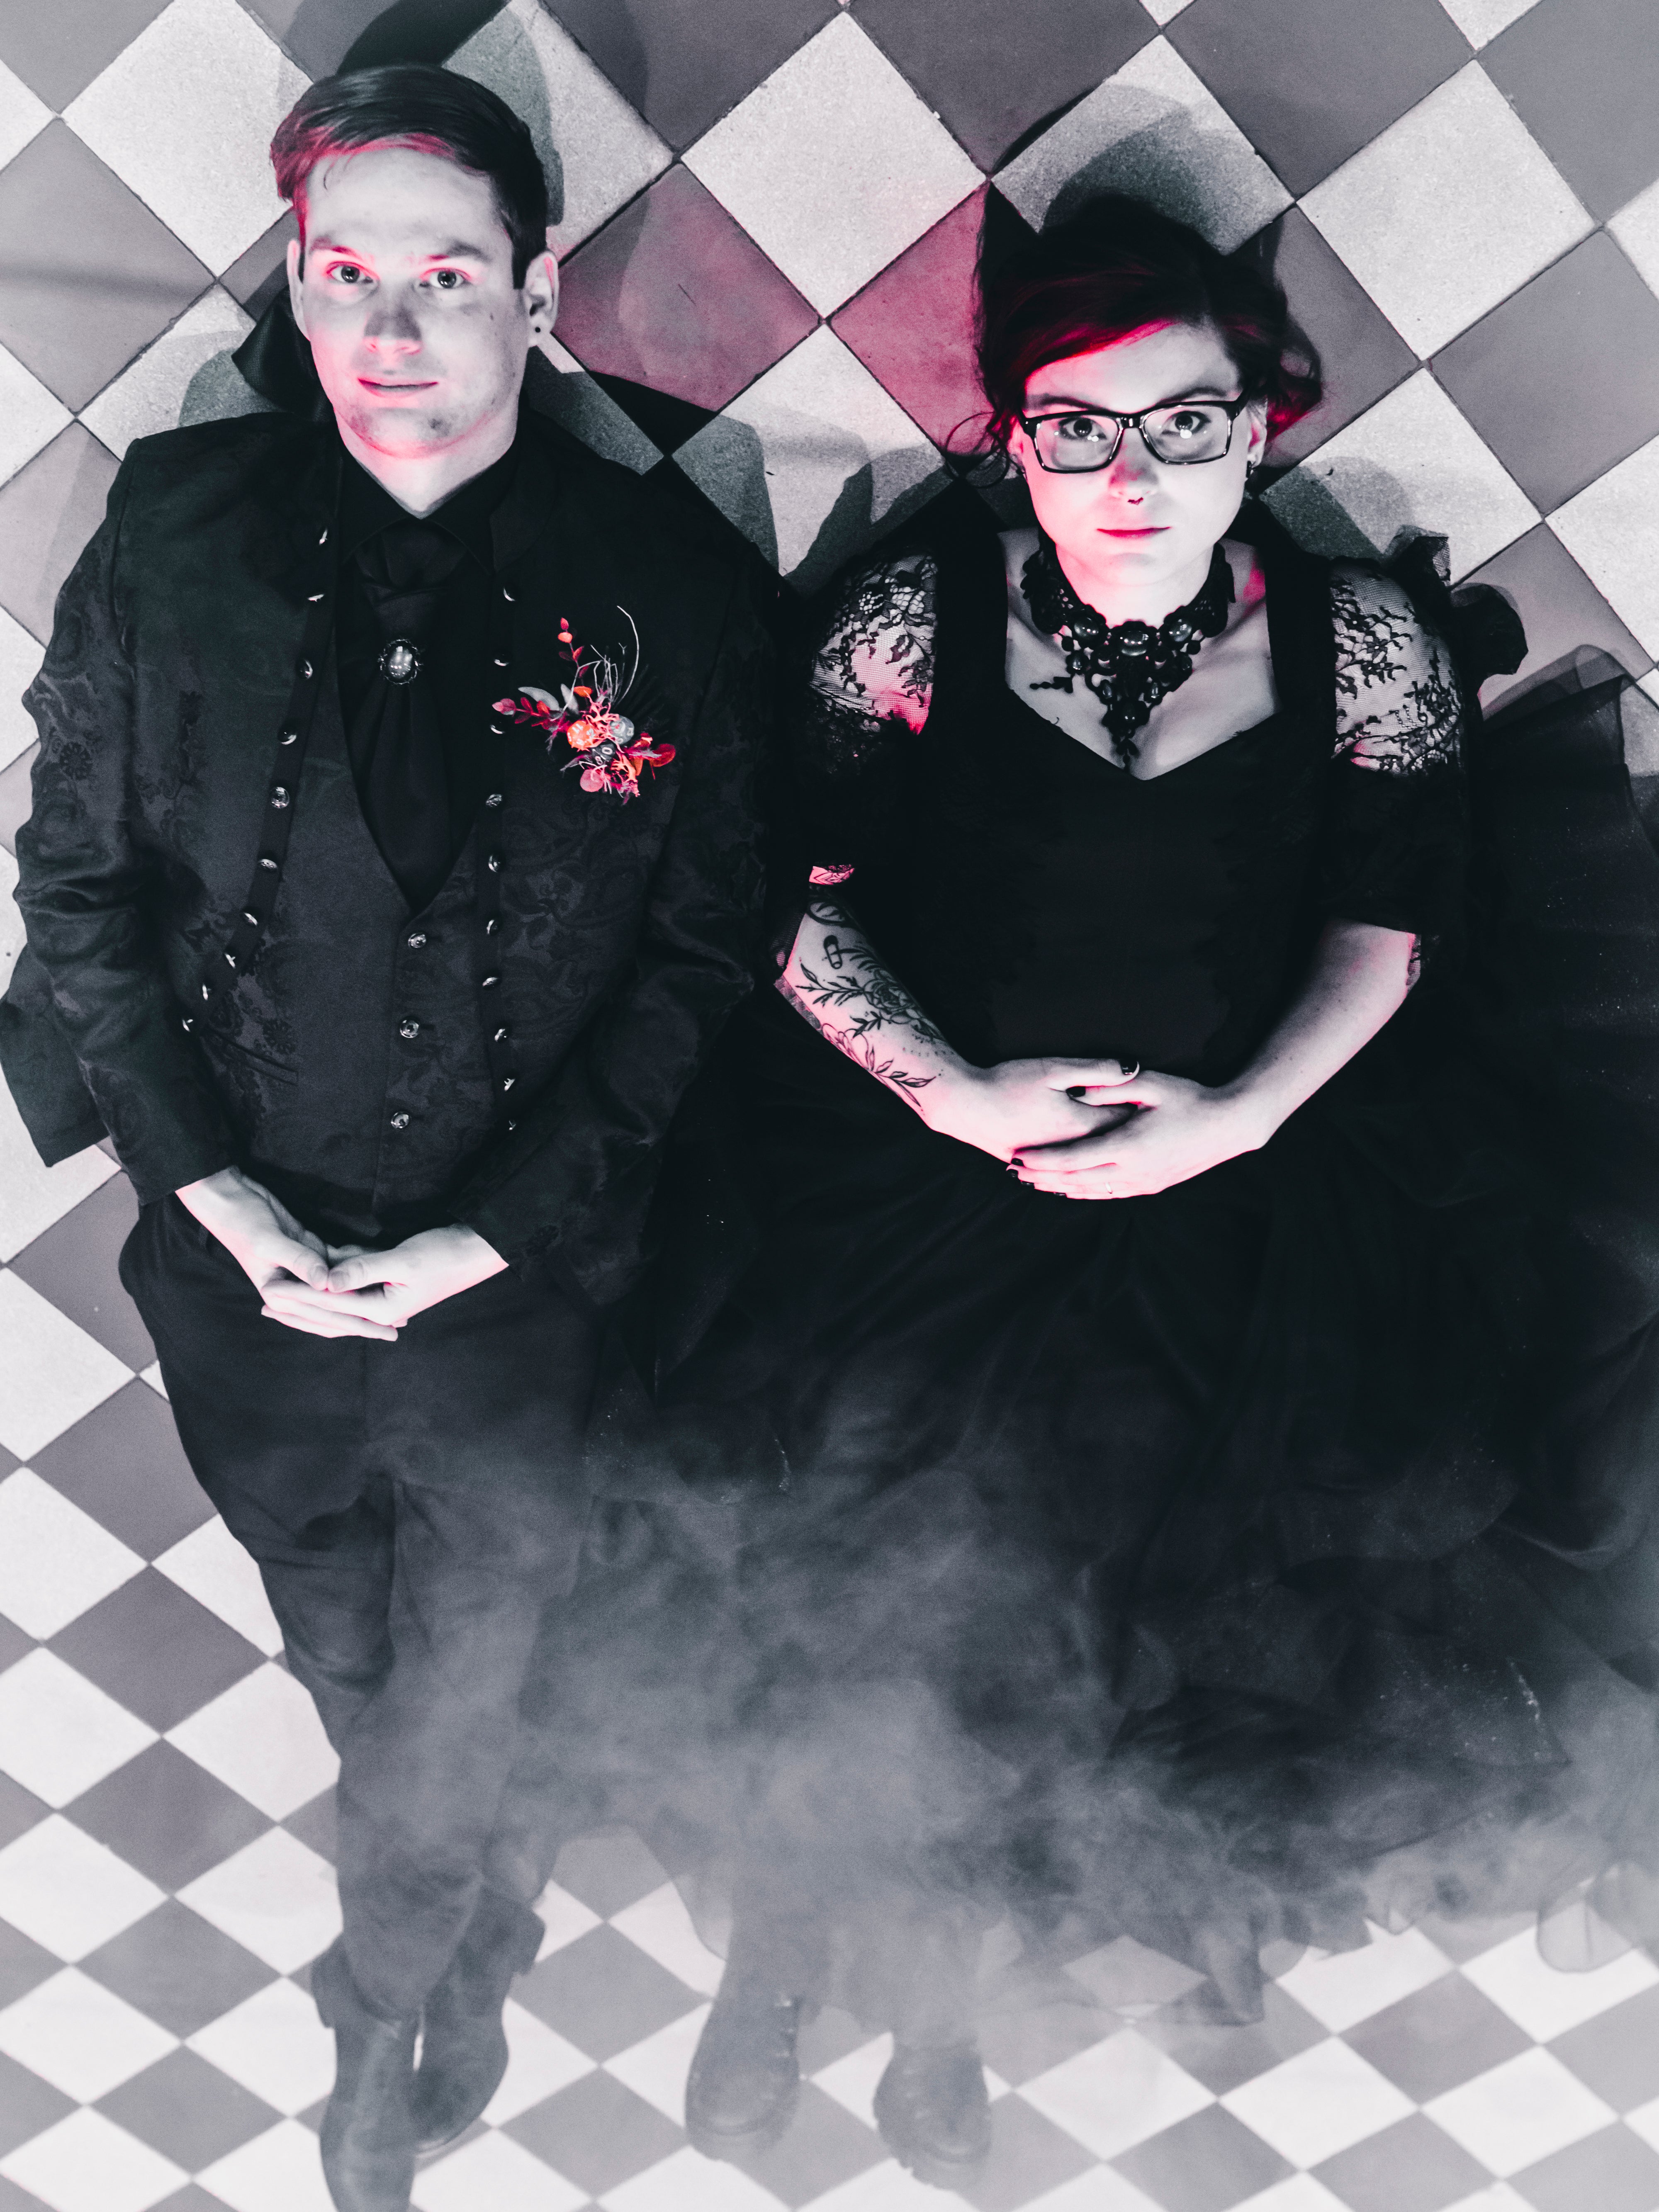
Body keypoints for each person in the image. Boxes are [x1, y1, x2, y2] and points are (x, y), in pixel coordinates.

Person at [636, 196, 1659, 2186]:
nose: (1133, 471)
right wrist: (951, 1093)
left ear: (1254, 425)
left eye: (1182, 422)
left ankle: (943, 2007)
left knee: (1079, 1606)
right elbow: (783, 905)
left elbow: (1391, 930)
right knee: (837, 1573)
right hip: (912, 1181)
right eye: (1075, 426)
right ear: (1013, 437)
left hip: (1240, 1192)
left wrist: (1240, 1117)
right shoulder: (911, 618)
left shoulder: (1359, 642)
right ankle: (772, 1952)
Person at [1, 66, 769, 2212]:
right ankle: (469, 1932)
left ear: (537, 288)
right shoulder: (175, 525)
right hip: (237, 1282)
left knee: (475, 1669)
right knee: (353, 1651)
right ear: (302, 287)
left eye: (446, 274)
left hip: (530, 1298)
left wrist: (491, 1240)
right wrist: (206, 1186)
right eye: (347, 276)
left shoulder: (674, 581)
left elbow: (702, 958)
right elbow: (75, 892)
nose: (392, 329)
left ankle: (388, 2012)